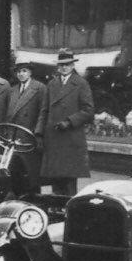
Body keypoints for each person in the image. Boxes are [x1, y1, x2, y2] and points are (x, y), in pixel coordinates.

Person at [35, 49, 94, 195]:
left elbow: (88, 110)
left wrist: (69, 121)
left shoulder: (81, 84)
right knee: (56, 180)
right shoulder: (52, 84)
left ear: (73, 65)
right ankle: (56, 211)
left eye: (67, 64)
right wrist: (39, 132)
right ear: (58, 66)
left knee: (69, 181)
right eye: (61, 65)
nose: (64, 67)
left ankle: (68, 211)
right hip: (53, 138)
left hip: (70, 138)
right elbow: (44, 110)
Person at [6, 60, 45, 191]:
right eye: (18, 72)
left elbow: (43, 113)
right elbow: (9, 114)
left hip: (30, 137)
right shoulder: (13, 90)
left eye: (24, 71)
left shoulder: (39, 88)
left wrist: (38, 134)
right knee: (15, 174)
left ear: (30, 72)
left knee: (31, 175)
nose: (21, 74)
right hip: (14, 138)